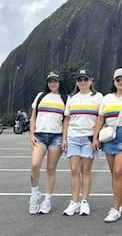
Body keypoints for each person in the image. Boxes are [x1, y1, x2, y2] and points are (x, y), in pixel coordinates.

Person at [93, 68, 122, 222]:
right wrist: (95, 138)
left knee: (118, 172)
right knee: (115, 173)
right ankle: (120, 203)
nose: (120, 82)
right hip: (109, 136)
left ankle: (115, 208)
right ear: (114, 82)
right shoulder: (106, 98)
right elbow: (100, 119)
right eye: (118, 79)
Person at [62, 69, 103, 216]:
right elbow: (66, 119)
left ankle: (84, 201)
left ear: (90, 81)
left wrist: (96, 137)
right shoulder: (72, 98)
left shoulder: (98, 97)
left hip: (88, 138)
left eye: (85, 79)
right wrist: (64, 138)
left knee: (86, 170)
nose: (83, 82)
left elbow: (100, 118)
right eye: (80, 80)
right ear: (76, 82)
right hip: (73, 137)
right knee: (74, 170)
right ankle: (74, 202)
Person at [29, 71, 67, 214]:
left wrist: (64, 138)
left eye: (55, 81)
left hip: (56, 137)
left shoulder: (65, 98)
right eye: (50, 81)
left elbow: (66, 121)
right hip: (40, 135)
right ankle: (34, 195)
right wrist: (31, 135)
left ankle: (47, 200)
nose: (53, 84)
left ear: (60, 82)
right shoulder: (40, 96)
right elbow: (33, 117)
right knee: (35, 164)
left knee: (51, 169)